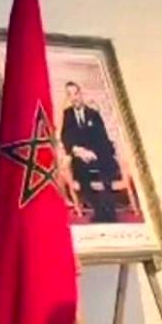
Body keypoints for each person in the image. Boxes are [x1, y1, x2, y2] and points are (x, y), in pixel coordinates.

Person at [60, 80, 128, 222]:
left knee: (107, 168)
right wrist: (78, 151)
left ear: (81, 94)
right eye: (70, 94)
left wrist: (94, 153)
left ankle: (109, 212)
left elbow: (102, 137)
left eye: (76, 93)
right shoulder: (68, 115)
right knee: (81, 173)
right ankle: (98, 212)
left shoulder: (93, 114)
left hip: (98, 154)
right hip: (80, 158)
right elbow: (65, 137)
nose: (74, 97)